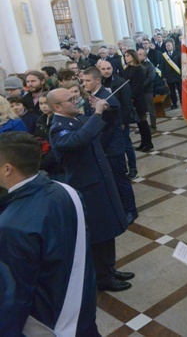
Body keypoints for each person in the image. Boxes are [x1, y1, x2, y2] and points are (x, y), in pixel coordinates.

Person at [0, 132, 100, 336]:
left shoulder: (11, 225)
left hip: (49, 322)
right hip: (83, 303)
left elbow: (15, 295)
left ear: (8, 169)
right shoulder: (68, 191)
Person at [48, 88, 133, 292]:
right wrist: (95, 113)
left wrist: (107, 108)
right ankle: (103, 278)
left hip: (100, 181)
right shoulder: (58, 128)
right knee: (98, 233)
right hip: (87, 187)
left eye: (75, 98)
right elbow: (79, 140)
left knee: (108, 229)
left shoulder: (76, 118)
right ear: (57, 107)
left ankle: (109, 269)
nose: (76, 102)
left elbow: (104, 126)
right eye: (70, 100)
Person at [82, 67, 138, 225]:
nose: (84, 83)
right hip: (104, 147)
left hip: (112, 149)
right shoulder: (93, 97)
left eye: (87, 80)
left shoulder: (108, 99)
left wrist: (96, 145)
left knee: (120, 181)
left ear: (97, 81)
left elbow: (108, 129)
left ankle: (130, 211)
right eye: (83, 80)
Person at [98, 59, 138, 180]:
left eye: (108, 68)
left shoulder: (121, 83)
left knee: (126, 145)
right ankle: (122, 168)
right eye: (103, 69)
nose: (106, 71)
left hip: (121, 120)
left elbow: (127, 105)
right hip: (107, 122)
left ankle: (132, 168)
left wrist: (123, 122)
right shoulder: (100, 84)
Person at [122, 49, 154, 152]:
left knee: (143, 122)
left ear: (133, 56)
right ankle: (143, 142)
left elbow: (137, 86)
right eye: (125, 56)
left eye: (128, 56)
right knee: (139, 124)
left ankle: (148, 143)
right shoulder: (127, 68)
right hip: (131, 98)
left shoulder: (139, 69)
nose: (126, 57)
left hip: (138, 99)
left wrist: (131, 97)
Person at [137, 48, 158, 132]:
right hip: (139, 92)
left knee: (150, 109)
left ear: (145, 56)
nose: (138, 56)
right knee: (141, 110)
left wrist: (141, 86)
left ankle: (153, 126)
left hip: (147, 90)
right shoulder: (136, 65)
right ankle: (143, 127)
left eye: (140, 54)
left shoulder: (149, 65)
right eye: (137, 54)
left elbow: (151, 78)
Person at [160, 38, 182, 109]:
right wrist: (163, 76)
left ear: (173, 45)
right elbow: (162, 66)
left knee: (180, 90)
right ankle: (174, 103)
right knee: (172, 92)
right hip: (169, 77)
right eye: (166, 46)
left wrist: (182, 74)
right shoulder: (164, 56)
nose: (167, 47)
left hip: (178, 75)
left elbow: (181, 65)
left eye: (169, 45)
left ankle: (182, 103)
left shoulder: (178, 53)